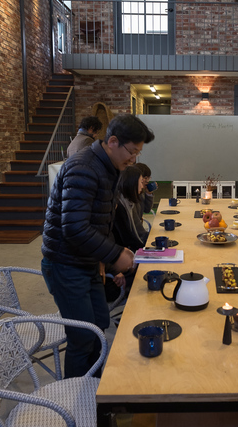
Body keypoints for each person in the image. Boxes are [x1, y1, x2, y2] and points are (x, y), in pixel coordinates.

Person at [41, 113, 155, 378]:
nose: (134, 159)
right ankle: (77, 403)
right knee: (82, 338)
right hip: (66, 264)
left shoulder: (109, 168)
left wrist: (104, 260)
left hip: (88, 262)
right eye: (132, 151)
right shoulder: (84, 167)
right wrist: (115, 255)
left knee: (99, 325)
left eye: (138, 152)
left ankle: (96, 388)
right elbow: (75, 228)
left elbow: (100, 221)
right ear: (112, 141)